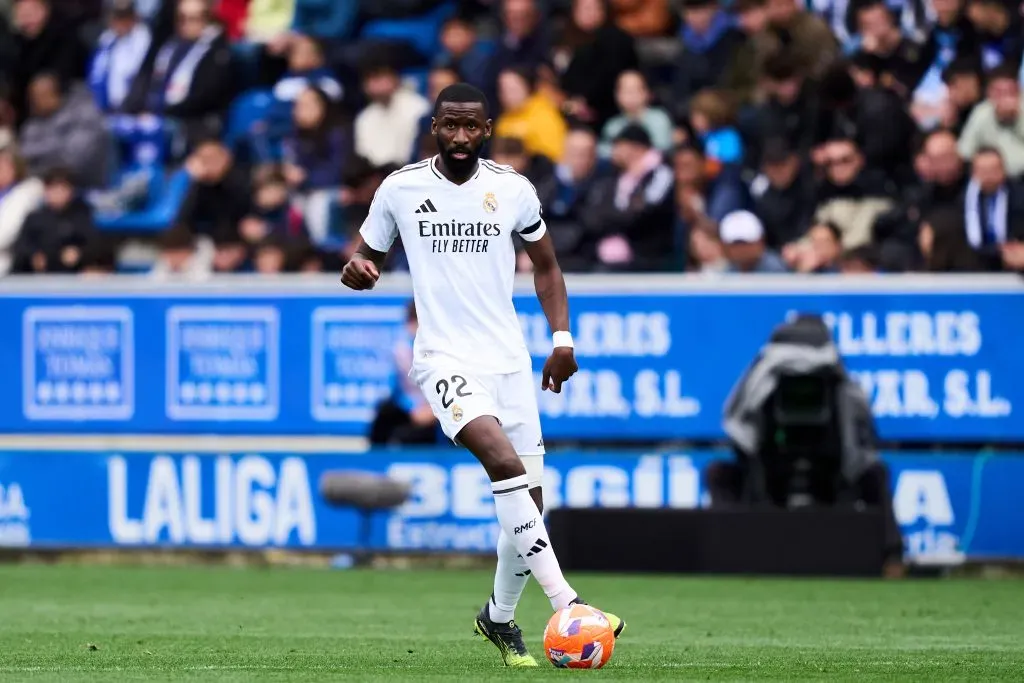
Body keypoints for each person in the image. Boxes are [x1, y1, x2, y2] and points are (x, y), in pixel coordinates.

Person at [340, 82, 624, 667]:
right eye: (450, 125)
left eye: (472, 127)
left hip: (509, 360)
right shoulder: (401, 187)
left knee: (529, 504)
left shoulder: (513, 190)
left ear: (487, 129)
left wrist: (562, 339)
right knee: (504, 464)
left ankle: (496, 617)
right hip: (445, 357)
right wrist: (360, 268)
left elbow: (547, 269)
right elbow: (366, 252)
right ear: (435, 128)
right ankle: (569, 605)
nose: (461, 137)